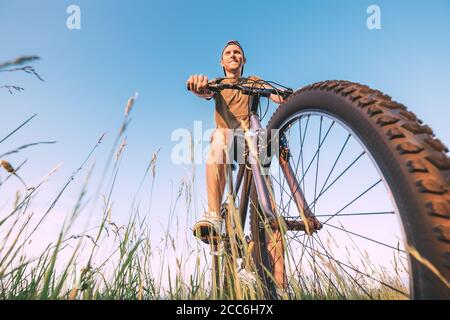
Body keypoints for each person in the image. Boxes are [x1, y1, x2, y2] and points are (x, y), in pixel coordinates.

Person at [186, 40, 284, 244]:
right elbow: (205, 92)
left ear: (243, 60)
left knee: (271, 213)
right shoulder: (218, 83)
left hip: (251, 142)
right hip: (226, 142)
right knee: (221, 135)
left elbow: (273, 92)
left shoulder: (252, 81)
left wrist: (288, 96)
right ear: (222, 61)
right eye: (228, 53)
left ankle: (273, 271)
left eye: (237, 52)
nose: (233, 55)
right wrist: (197, 86)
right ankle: (214, 215)